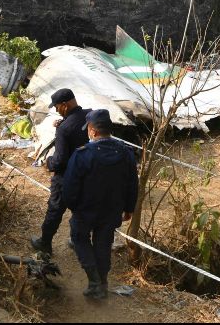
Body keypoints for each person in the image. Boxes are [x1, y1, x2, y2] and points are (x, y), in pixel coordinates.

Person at [63, 109, 138, 299]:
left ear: (93, 131)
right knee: (103, 244)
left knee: (79, 238)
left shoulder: (82, 154)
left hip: (86, 209)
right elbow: (132, 182)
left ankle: (95, 281)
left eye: (88, 129)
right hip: (112, 209)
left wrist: (73, 206)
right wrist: (129, 207)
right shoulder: (125, 152)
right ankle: (102, 283)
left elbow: (70, 185)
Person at [30, 88, 91, 255]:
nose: (57, 111)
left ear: (64, 105)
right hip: (86, 174)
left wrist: (47, 162)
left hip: (66, 177)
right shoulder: (89, 116)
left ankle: (45, 243)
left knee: (55, 209)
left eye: (57, 107)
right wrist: (63, 122)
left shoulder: (64, 129)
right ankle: (77, 239)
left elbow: (59, 161)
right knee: (80, 209)